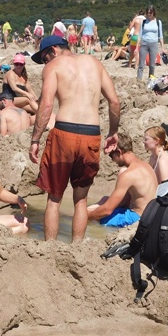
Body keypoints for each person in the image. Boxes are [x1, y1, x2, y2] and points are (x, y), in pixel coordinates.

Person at [29, 35, 120, 242]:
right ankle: (77, 248)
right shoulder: (95, 64)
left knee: (54, 198)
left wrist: (35, 139)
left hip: (64, 134)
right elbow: (114, 101)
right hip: (91, 135)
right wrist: (113, 132)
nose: (45, 63)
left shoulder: (54, 67)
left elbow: (46, 106)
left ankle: (50, 249)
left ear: (53, 51)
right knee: (81, 199)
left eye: (44, 58)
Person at [87, 133, 157, 228]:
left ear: (119, 152)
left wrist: (87, 217)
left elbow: (107, 210)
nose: (112, 160)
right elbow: (125, 201)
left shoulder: (128, 174)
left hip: (137, 217)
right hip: (150, 215)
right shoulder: (146, 165)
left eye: (112, 156)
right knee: (103, 201)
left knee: (95, 220)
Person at [137, 5, 165, 81]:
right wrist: (137, 47)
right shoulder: (143, 22)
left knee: (152, 65)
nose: (149, 14)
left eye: (150, 13)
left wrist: (163, 48)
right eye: (147, 13)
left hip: (154, 44)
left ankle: (150, 80)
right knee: (141, 65)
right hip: (144, 43)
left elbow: (160, 36)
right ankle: (139, 80)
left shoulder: (158, 22)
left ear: (153, 13)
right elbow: (140, 35)